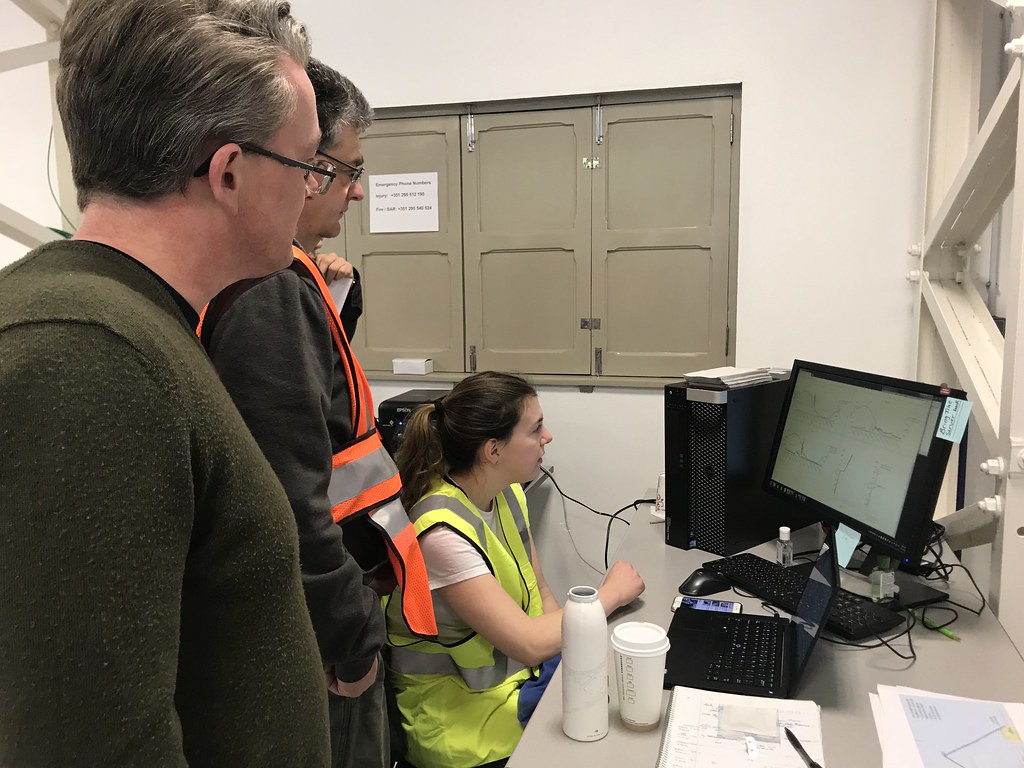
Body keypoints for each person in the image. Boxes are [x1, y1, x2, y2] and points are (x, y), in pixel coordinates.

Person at [0, 1, 331, 765]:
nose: (314, 189)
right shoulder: (86, 355)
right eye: (307, 163)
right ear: (230, 171)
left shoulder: (130, 329)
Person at [200, 59, 437, 768]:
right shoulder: (269, 292)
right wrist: (352, 635)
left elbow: (321, 404)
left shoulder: (293, 277)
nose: (355, 191)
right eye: (342, 168)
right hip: (325, 631)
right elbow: (290, 500)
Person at [385, 371, 646, 768]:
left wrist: (574, 664)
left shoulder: (505, 494)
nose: (548, 437)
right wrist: (608, 595)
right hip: (463, 731)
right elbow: (525, 642)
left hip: (511, 693)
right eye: (536, 428)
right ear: (493, 450)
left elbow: (539, 593)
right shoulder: (440, 534)